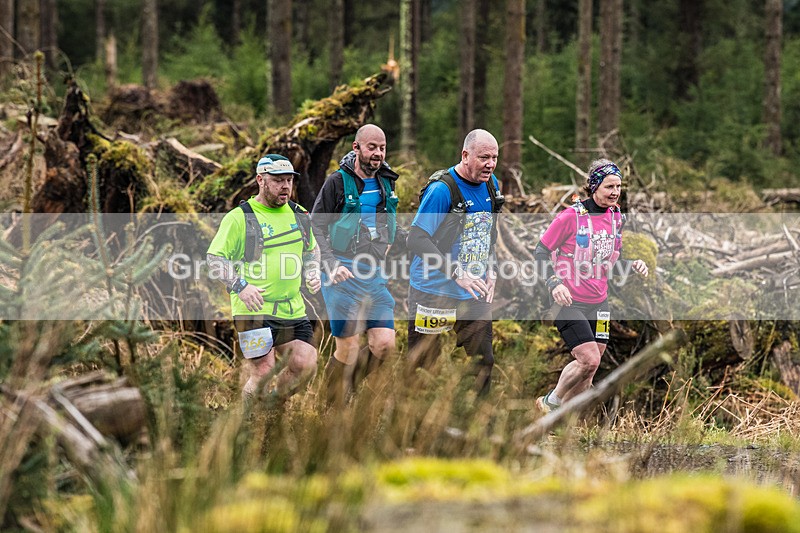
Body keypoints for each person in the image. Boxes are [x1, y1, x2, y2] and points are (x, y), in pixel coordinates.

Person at [534, 158, 648, 413]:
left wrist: (633, 265)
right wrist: (554, 283)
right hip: (568, 300)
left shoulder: (616, 217)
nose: (615, 192)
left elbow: (609, 260)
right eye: (609, 186)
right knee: (588, 359)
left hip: (599, 301)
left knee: (590, 370)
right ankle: (549, 402)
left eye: (618, 186)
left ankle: (561, 421)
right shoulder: (570, 217)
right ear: (594, 186)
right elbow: (540, 252)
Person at [207, 154, 321, 406]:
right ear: (260, 180)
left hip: (291, 308)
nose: (285, 187)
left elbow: (312, 249)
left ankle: (270, 410)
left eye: (289, 180)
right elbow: (214, 259)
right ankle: (243, 419)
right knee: (263, 370)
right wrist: (240, 286)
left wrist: (312, 270)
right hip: (253, 311)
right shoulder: (239, 218)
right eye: (278, 180)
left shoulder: (299, 214)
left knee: (306, 365)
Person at [405, 129, 504, 396]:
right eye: (484, 157)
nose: (490, 164)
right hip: (433, 292)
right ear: (465, 155)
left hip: (473, 292)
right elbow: (415, 239)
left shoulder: (491, 184)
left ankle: (478, 431)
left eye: (494, 157)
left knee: (484, 362)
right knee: (423, 369)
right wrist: (455, 271)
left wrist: (491, 268)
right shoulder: (442, 190)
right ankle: (410, 431)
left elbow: (487, 234)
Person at [311, 124, 399, 405]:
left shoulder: (387, 181)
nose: (378, 153)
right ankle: (333, 403)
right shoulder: (337, 182)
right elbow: (316, 226)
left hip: (373, 272)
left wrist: (389, 243)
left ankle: (346, 385)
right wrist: (331, 264)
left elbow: (388, 219)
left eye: (382, 148)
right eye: (372, 147)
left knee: (384, 344)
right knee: (348, 348)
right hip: (341, 272)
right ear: (356, 148)